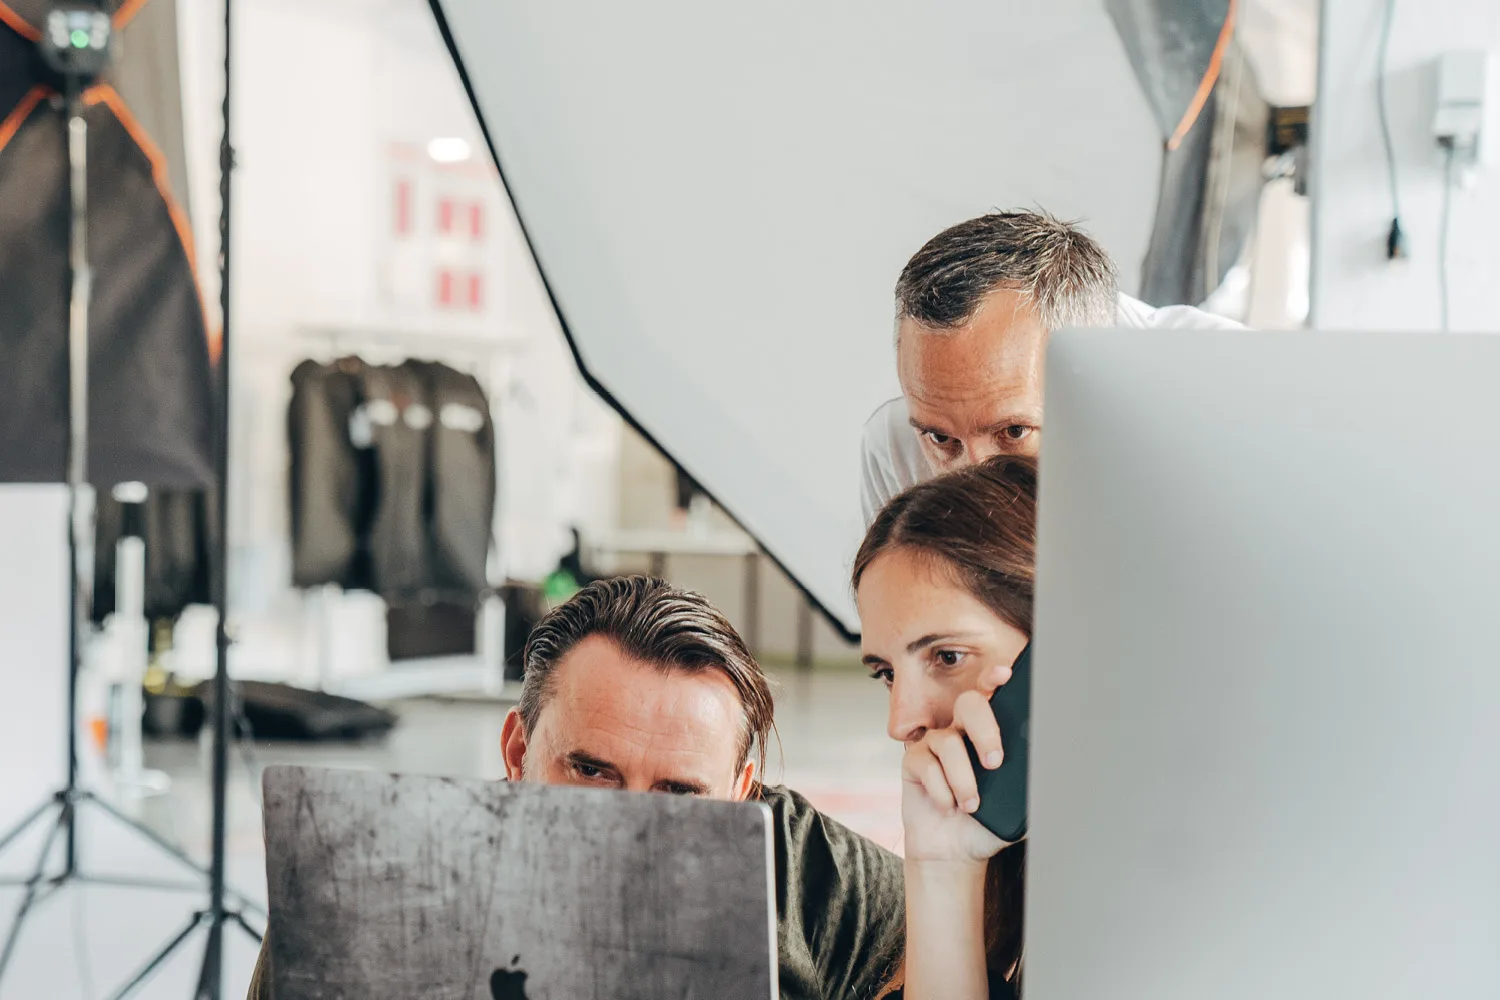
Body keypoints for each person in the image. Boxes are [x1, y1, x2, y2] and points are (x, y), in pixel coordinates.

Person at [247, 576, 904, 1000]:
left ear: (741, 791)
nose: (629, 824)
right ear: (517, 750)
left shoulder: (813, 879)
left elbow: (986, 936)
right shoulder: (372, 884)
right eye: (591, 772)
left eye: (680, 793)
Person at [861, 210, 1239, 524]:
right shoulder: (896, 439)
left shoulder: (1226, 411)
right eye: (942, 440)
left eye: (1013, 431)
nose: (975, 487)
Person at [853, 457, 1039, 1000]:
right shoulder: (1001, 891)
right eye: (887, 674)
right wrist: (943, 866)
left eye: (947, 656)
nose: (901, 721)